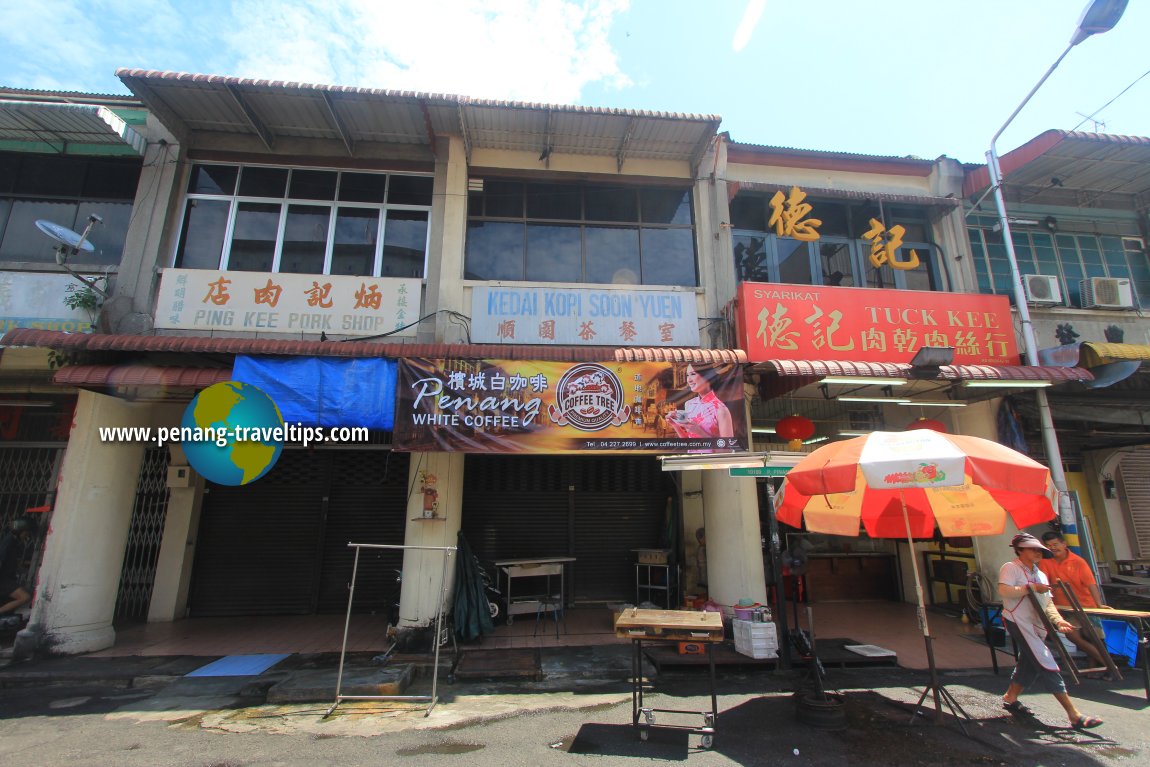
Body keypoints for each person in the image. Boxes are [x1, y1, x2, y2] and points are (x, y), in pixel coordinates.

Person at [998, 532, 1103, 730]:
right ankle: (1074, 714)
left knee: (1029, 660)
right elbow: (1004, 591)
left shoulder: (1040, 574)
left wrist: (1058, 621)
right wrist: (1030, 588)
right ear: (1020, 550)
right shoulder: (1010, 568)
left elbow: (1048, 604)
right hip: (1017, 619)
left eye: (1039, 549)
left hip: (1037, 623)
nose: (1038, 552)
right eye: (1032, 548)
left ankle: (1010, 697)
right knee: (1045, 660)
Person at [1038, 530, 1113, 674]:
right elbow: (1044, 583)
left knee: (1093, 638)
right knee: (1072, 635)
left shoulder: (1078, 561)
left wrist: (1098, 604)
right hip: (1065, 608)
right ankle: (1108, 664)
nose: (1053, 548)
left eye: (1055, 544)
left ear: (1064, 544)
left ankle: (1097, 669)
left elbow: (1091, 583)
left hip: (1086, 605)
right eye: (1049, 546)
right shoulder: (1045, 562)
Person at [666, 364, 734, 439]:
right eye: (687, 375)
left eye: (693, 374)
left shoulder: (721, 410)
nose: (689, 380)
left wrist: (700, 432)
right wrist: (675, 425)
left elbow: (727, 448)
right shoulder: (689, 404)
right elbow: (689, 441)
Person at [0, 518, 34, 616]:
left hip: (7, 579)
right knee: (25, 597)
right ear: (20, 531)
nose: (27, 535)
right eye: (26, 532)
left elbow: (14, 563)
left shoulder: (14, 542)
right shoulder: (8, 542)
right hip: (3, 580)